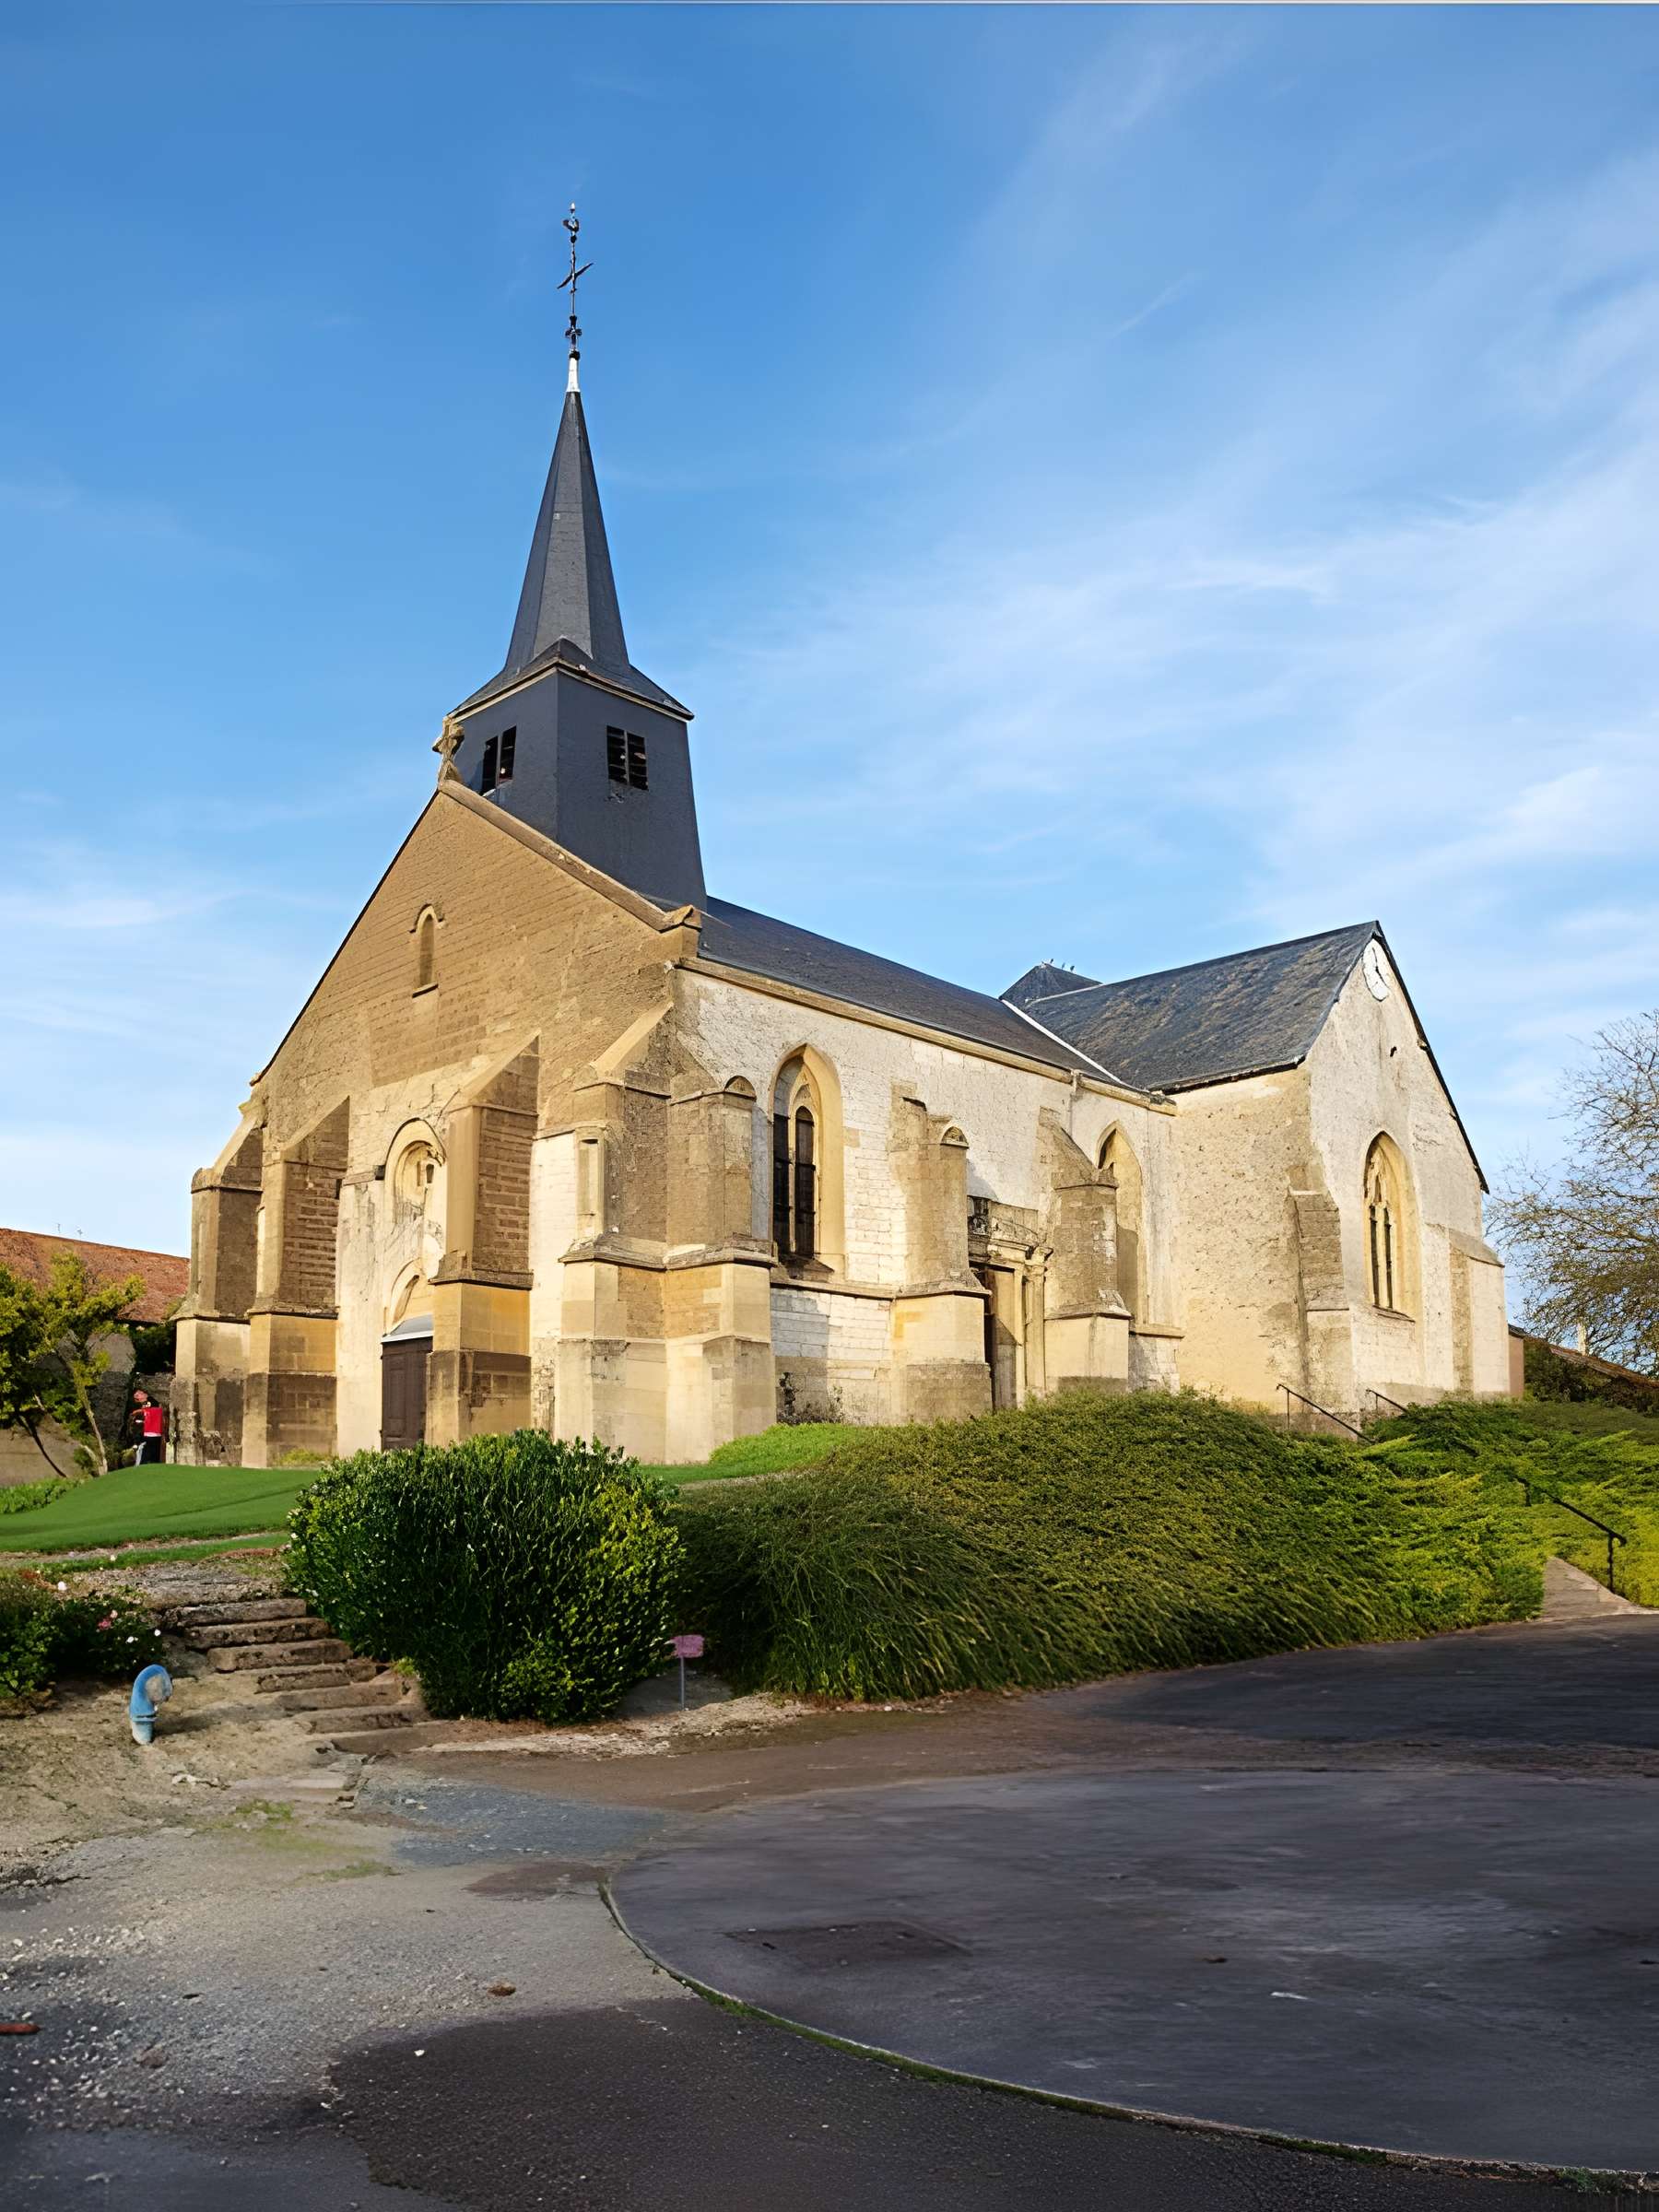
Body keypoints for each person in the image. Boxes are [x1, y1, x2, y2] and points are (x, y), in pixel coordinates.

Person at [131, 1390, 167, 1465]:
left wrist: (137, 1412)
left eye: (139, 1394)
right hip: (152, 1432)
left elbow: (147, 1411)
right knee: (150, 1452)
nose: (137, 1397)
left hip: (154, 1432)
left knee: (150, 1452)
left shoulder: (149, 1402)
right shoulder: (147, 1403)